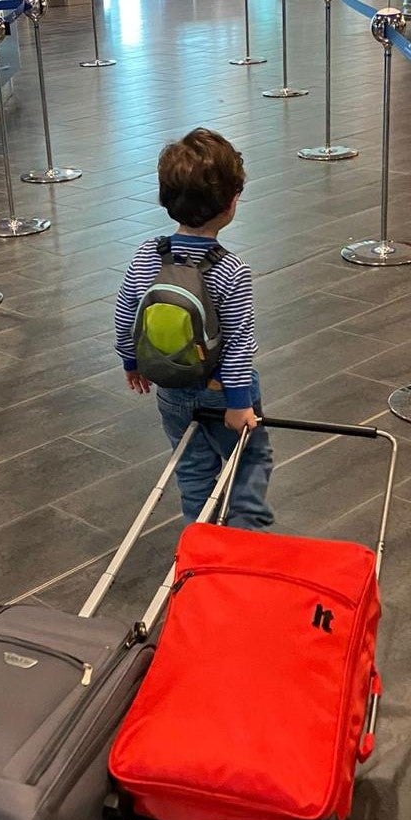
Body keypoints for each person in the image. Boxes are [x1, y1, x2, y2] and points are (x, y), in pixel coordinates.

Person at [114, 128, 274, 530]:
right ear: (232, 202)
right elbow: (237, 344)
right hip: (223, 394)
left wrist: (131, 361)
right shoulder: (231, 269)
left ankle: (199, 541)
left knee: (191, 469)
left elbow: (125, 312)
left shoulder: (148, 253)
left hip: (170, 389)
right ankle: (243, 537)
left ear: (168, 200)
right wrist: (239, 404)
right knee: (249, 459)